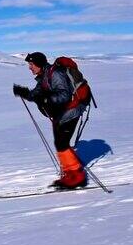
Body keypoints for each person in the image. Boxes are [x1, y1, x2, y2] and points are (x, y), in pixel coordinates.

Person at [13, 52, 87, 189]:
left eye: (31, 64)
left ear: (39, 64)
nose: (30, 67)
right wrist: (24, 93)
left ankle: (77, 175)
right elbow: (36, 94)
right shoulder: (43, 77)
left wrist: (46, 99)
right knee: (60, 142)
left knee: (62, 142)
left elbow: (64, 95)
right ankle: (70, 173)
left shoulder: (55, 74)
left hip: (72, 110)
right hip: (62, 113)